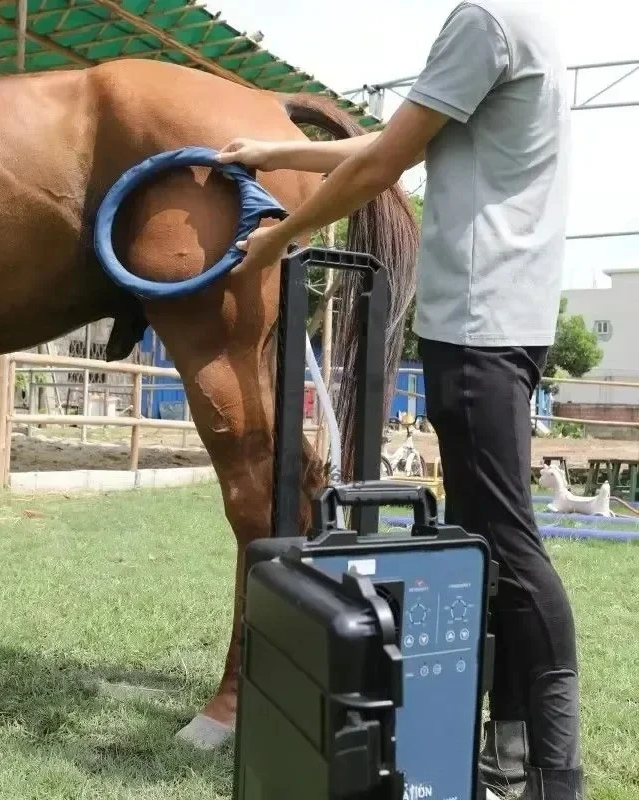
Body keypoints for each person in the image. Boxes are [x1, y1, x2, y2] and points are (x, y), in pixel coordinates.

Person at [215, 2, 583, 799]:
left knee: (510, 545)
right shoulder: (524, 22)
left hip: (480, 320)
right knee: (493, 534)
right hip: (504, 318)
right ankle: (514, 749)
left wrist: (280, 238)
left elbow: (386, 166)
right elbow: (396, 142)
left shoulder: (484, 19)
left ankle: (559, 774)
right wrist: (278, 148)